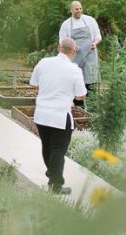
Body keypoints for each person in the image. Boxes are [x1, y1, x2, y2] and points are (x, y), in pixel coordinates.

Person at [29, 38, 87, 195]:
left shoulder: (43, 63)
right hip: (60, 116)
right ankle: (56, 184)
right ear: (73, 52)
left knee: (47, 147)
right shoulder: (74, 70)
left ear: (58, 48)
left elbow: (34, 84)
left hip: (41, 114)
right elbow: (81, 95)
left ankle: (52, 174)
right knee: (58, 150)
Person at [58, 1, 101, 108]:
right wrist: (72, 47)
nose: (79, 11)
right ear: (71, 10)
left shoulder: (90, 20)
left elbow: (98, 36)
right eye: (77, 9)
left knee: (91, 78)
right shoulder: (66, 24)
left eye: (80, 8)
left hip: (90, 53)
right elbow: (62, 41)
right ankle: (78, 106)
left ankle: (92, 106)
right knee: (76, 79)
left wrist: (94, 44)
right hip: (75, 55)